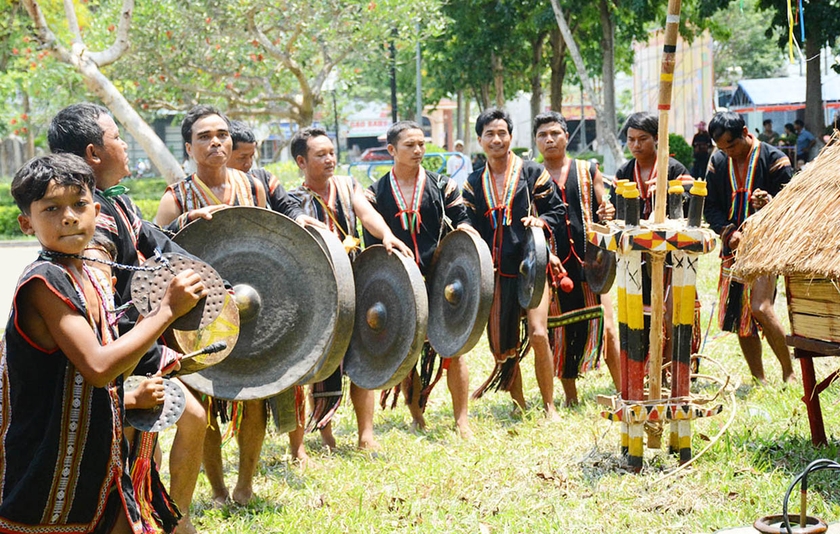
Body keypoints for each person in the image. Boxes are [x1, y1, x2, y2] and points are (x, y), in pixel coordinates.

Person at [1, 153, 204, 533]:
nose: (69, 217)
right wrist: (165, 312)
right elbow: (96, 368)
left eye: (79, 205)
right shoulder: (44, 283)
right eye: (51, 208)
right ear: (26, 223)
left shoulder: (90, 277)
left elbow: (92, 371)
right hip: (46, 457)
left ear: (96, 209)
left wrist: (130, 396)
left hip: (94, 451)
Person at [48, 103, 207, 534]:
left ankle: (172, 516)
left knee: (186, 419)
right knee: (136, 449)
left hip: (138, 345)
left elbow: (161, 246)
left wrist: (213, 279)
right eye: (117, 136)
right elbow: (96, 303)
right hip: (115, 354)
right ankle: (156, 518)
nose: (124, 144)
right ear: (93, 154)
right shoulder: (90, 225)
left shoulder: (118, 204)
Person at [154, 105, 320, 507]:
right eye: (205, 137)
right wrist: (184, 221)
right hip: (199, 315)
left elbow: (291, 212)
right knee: (205, 398)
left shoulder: (257, 185)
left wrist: (304, 220)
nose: (216, 142)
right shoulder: (176, 198)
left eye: (222, 134)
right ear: (190, 148)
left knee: (256, 396)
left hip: (256, 302)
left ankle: (245, 483)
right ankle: (216, 488)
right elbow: (153, 255)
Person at [287, 126, 414, 450]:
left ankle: (365, 433)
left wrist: (386, 234)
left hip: (356, 283)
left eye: (332, 153)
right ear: (302, 161)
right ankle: (325, 433)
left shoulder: (347, 185)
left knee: (363, 355)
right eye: (321, 155)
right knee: (321, 364)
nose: (330, 159)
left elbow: (366, 213)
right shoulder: (293, 198)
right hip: (318, 291)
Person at [365, 120, 475, 437]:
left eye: (422, 144)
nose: (418, 150)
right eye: (410, 145)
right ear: (391, 150)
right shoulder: (377, 193)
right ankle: (416, 415)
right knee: (408, 351)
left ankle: (461, 419)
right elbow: (371, 242)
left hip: (441, 280)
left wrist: (466, 233)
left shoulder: (442, 185)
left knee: (454, 350)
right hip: (401, 284)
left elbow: (462, 220)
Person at [462, 108, 566, 419]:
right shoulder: (472, 181)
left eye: (502, 133)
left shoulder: (533, 172)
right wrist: (465, 230)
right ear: (480, 140)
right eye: (490, 134)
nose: (497, 139)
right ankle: (520, 405)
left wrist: (540, 220)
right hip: (493, 273)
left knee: (538, 334)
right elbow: (466, 219)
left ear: (511, 136)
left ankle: (549, 407)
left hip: (532, 265)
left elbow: (557, 210)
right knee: (502, 346)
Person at [532, 111, 621, 406]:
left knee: (608, 328)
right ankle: (571, 396)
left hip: (590, 262)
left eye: (555, 133)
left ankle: (624, 391)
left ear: (566, 136)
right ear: (536, 141)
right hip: (553, 264)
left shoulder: (587, 169)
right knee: (561, 328)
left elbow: (603, 207)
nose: (550, 139)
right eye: (543, 135)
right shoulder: (531, 175)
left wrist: (607, 211)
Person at [704, 111, 795, 384]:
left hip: (767, 247)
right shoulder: (718, 162)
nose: (728, 153)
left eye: (731, 145)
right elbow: (711, 207)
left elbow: (791, 203)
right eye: (722, 148)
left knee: (760, 307)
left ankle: (789, 373)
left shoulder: (775, 158)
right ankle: (759, 378)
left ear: (745, 132)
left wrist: (770, 202)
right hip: (733, 249)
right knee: (739, 315)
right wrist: (728, 232)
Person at [614, 112, 694, 362]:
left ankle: (673, 366)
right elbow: (616, 213)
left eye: (642, 139)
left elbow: (691, 211)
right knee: (639, 312)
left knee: (672, 313)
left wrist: (671, 192)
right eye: (631, 139)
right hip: (637, 258)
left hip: (672, 256)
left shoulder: (674, 169)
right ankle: (646, 366)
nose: (636, 145)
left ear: (657, 138)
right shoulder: (625, 171)